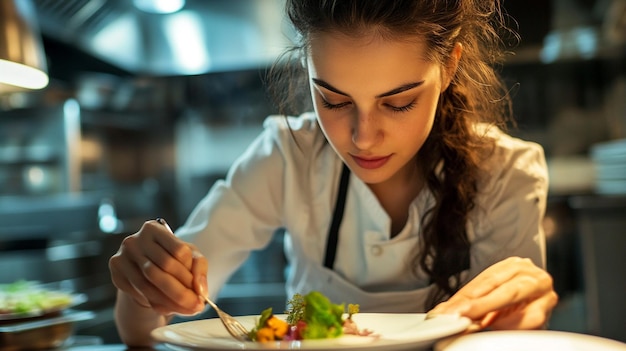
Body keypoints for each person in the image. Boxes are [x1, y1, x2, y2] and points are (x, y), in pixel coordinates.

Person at [109, 0, 558, 346]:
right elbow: (147, 327)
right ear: (307, 67)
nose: (363, 138)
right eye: (334, 101)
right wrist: (146, 285)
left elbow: (516, 335)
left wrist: (520, 321)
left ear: (450, 66)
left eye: (398, 102)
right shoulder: (288, 156)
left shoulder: (506, 174)